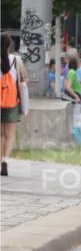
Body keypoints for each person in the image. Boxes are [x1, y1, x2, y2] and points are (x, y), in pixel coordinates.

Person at [1, 33, 28, 176]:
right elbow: (24, 80)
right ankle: (5, 161)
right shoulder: (16, 60)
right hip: (11, 101)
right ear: (10, 45)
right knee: (9, 135)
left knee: (0, 135)